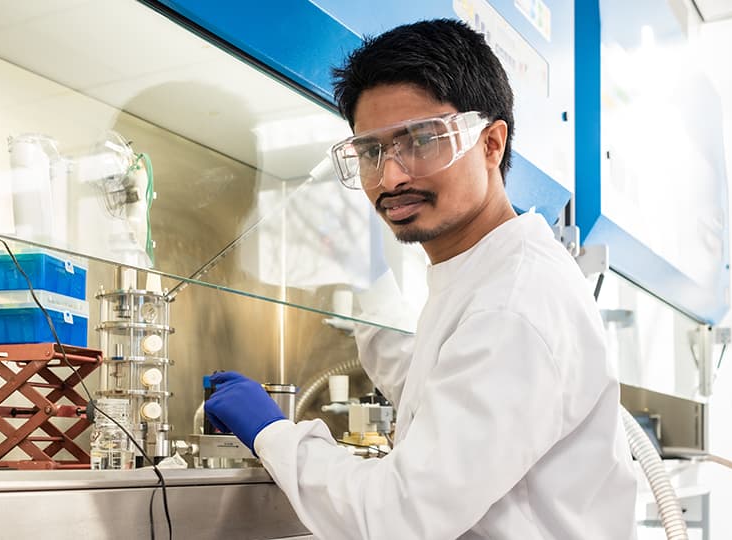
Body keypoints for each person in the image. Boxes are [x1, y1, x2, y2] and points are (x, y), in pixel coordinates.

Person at [204, 19, 638, 539]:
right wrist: (366, 288)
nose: (390, 177)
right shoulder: (483, 272)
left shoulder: (514, 303)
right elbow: (443, 384)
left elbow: (395, 517)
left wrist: (273, 433)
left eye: (422, 140)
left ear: (490, 144)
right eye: (371, 151)